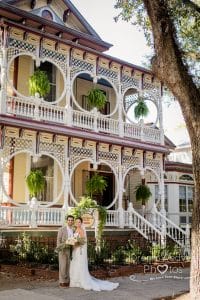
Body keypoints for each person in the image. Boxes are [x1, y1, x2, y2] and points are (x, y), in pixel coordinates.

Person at [70, 217, 119, 291]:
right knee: (76, 264)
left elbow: (83, 242)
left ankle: (81, 281)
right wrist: (72, 244)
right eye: (76, 222)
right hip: (75, 250)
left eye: (79, 222)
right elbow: (75, 240)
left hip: (79, 250)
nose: (77, 223)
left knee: (79, 264)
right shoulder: (76, 229)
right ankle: (76, 281)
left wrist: (76, 245)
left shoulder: (81, 230)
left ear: (81, 223)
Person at [56, 215, 74, 288]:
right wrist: (60, 248)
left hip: (69, 249)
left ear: (73, 221)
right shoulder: (62, 229)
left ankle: (67, 281)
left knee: (68, 266)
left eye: (71, 220)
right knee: (62, 266)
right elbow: (58, 240)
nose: (70, 221)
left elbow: (73, 240)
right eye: (69, 220)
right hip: (63, 249)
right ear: (67, 221)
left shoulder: (73, 230)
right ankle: (62, 281)